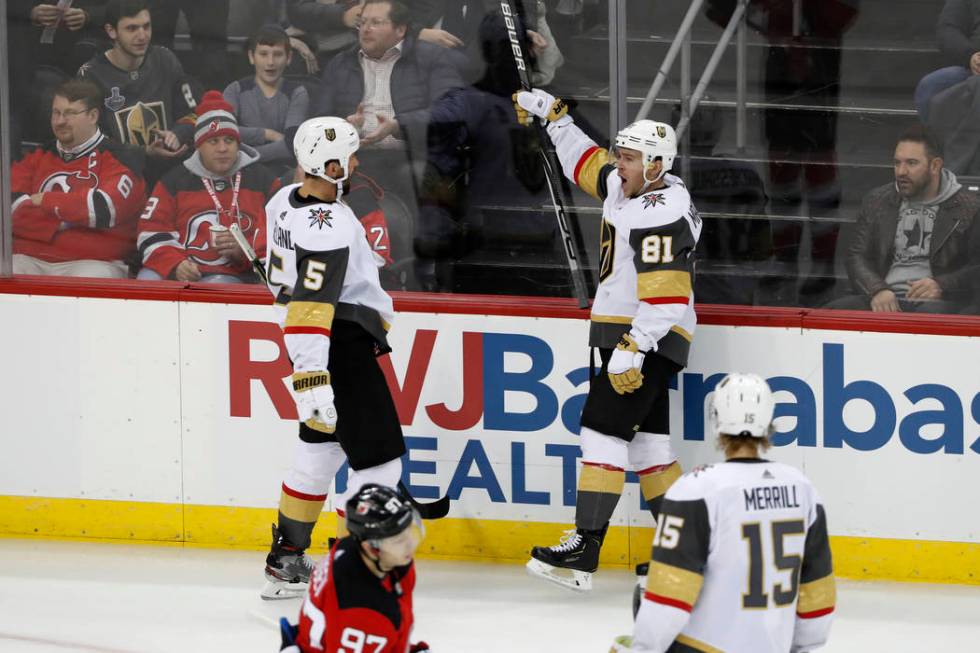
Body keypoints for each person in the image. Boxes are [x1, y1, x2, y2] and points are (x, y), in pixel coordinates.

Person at [514, 90, 702, 591]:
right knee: (649, 451)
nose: (619, 164)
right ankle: (692, 553)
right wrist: (555, 118)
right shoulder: (632, 188)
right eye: (622, 154)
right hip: (633, 333)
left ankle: (585, 547)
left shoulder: (663, 209)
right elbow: (588, 163)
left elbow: (666, 293)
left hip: (647, 336)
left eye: (630, 157)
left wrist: (635, 345)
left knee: (601, 430)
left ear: (657, 165)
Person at [260, 116, 410, 599]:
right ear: (329, 164)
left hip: (318, 344)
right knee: (380, 462)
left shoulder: (281, 200)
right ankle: (358, 574)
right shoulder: (330, 228)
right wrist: (313, 381)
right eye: (349, 156)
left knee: (318, 452)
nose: (356, 163)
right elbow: (311, 309)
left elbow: (297, 299)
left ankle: (286, 560)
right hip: (336, 345)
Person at [611, 373, 836, 653]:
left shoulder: (697, 489)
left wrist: (642, 649)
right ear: (769, 424)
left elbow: (669, 599)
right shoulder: (802, 489)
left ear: (717, 421)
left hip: (703, 647)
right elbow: (818, 596)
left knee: (641, 601)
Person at [313, 0, 464, 209]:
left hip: (412, 154)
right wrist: (343, 129)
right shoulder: (341, 64)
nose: (366, 29)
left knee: (414, 176)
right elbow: (318, 124)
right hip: (355, 157)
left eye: (376, 22)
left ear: (400, 29)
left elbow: (453, 111)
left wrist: (398, 125)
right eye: (362, 22)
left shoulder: (430, 58)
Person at [825, 126, 980, 314]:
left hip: (936, 303)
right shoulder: (878, 200)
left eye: (911, 163)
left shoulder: (969, 207)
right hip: (884, 298)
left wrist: (942, 285)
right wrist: (877, 289)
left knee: (930, 316)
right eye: (897, 163)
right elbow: (857, 256)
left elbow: (976, 268)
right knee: (833, 312)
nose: (901, 171)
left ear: (935, 166)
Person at [135, 91, 280, 283]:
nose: (222, 148)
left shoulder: (264, 181)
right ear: (199, 146)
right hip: (183, 268)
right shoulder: (174, 181)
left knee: (216, 287)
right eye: (213, 141)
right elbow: (151, 231)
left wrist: (244, 251)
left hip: (236, 275)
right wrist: (175, 264)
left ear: (238, 144)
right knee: (147, 280)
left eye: (229, 141)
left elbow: (281, 239)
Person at [12, 78, 146, 278]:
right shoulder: (37, 155)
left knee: (94, 279)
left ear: (93, 116)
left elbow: (103, 208)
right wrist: (72, 219)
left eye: (70, 113)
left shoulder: (123, 157)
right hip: (30, 259)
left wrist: (44, 200)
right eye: (56, 113)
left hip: (94, 263)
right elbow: (11, 209)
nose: (60, 121)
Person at [278, 484, 430, 653]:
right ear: (371, 547)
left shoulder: (352, 548)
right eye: (398, 540)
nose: (410, 545)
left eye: (409, 531)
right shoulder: (361, 612)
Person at [78, 0, 198, 162]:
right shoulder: (90, 74)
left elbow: (192, 113)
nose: (142, 36)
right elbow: (87, 139)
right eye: (132, 28)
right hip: (116, 169)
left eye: (146, 26)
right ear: (111, 31)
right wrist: (143, 152)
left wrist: (177, 134)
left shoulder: (165, 59)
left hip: (171, 164)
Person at [224, 25, 310, 174]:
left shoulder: (297, 93)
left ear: (288, 58)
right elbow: (225, 132)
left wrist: (246, 155)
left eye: (277, 54)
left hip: (283, 170)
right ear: (252, 57)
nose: (270, 62)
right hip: (241, 172)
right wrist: (267, 134)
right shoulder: (235, 90)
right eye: (263, 54)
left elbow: (292, 144)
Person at [915, 0, 980, 122]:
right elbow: (947, 29)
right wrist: (970, 56)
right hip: (973, 69)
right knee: (932, 86)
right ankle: (941, 141)